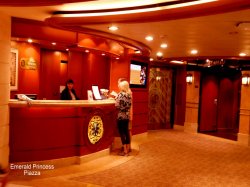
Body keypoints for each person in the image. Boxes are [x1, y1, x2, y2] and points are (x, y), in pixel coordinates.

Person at [115, 80, 132, 156]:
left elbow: (117, 105)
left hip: (121, 116)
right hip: (127, 116)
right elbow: (129, 105)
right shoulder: (129, 95)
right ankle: (128, 149)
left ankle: (124, 150)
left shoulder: (119, 95)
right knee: (127, 132)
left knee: (122, 133)